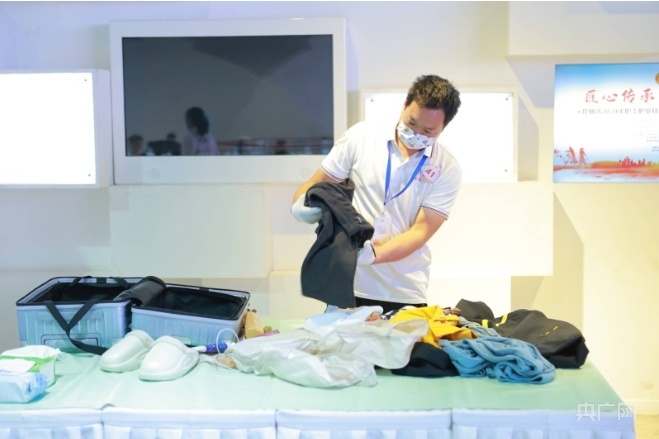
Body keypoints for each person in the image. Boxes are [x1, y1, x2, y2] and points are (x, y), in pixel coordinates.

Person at [291, 74, 462, 313]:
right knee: (339, 338)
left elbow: (421, 231)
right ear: (405, 104)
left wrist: (373, 255)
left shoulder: (446, 167)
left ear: (443, 128)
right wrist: (300, 204)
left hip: (404, 288)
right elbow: (317, 182)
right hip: (349, 282)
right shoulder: (362, 137)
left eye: (428, 130)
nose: (416, 133)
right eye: (411, 122)